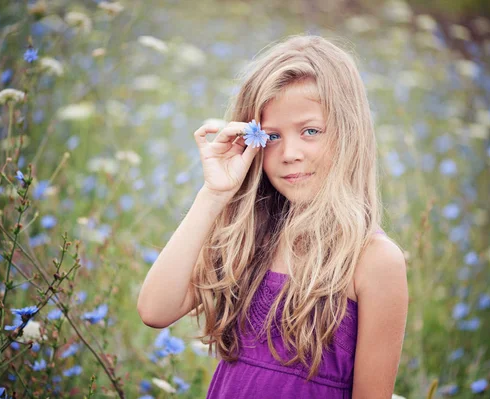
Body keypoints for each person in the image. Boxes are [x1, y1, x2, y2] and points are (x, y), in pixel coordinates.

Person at [137, 34, 409, 399]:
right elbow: (156, 309)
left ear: (349, 134)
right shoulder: (249, 234)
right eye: (272, 137)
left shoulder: (374, 260)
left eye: (310, 131)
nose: (290, 153)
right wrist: (214, 195)